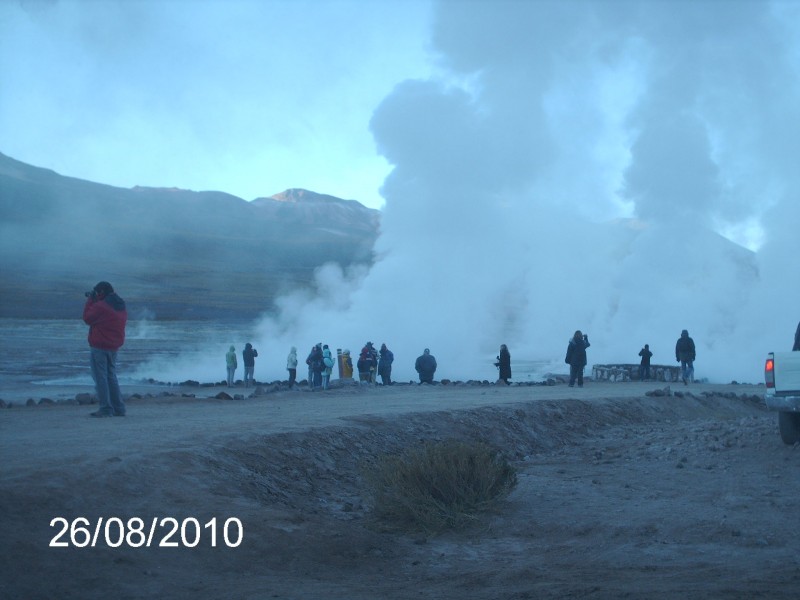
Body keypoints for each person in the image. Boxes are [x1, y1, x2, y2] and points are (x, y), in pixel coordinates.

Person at [82, 281, 127, 417]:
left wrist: (91, 300)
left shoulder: (102, 306)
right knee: (111, 376)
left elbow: (87, 318)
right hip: (113, 346)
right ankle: (118, 407)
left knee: (100, 377)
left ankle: (106, 408)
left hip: (100, 346)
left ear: (101, 292)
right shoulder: (120, 304)